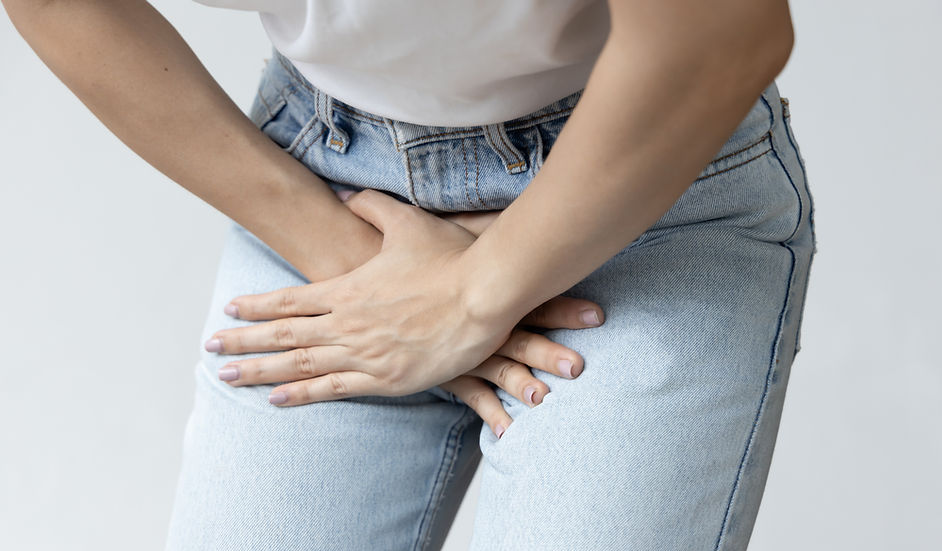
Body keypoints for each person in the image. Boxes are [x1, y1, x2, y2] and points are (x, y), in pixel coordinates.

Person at [3, 0, 815, 549]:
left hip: (635, 187)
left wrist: (467, 300)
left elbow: (724, 29)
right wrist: (350, 255)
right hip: (326, 176)